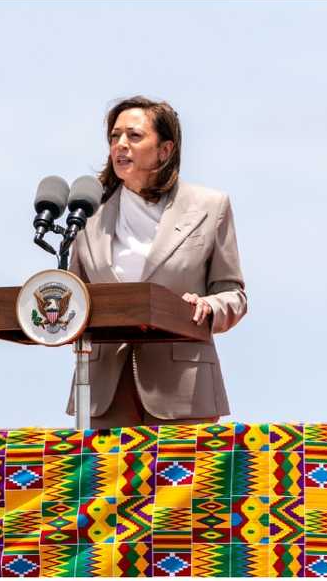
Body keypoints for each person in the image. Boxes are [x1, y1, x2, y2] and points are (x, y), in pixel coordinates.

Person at [66, 95, 247, 428]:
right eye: (114, 137)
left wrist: (208, 307)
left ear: (165, 150)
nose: (120, 145)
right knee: (108, 482)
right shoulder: (88, 214)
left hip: (185, 389)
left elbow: (233, 294)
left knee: (185, 483)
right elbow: (72, 296)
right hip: (104, 390)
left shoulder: (210, 206)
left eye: (134, 136)